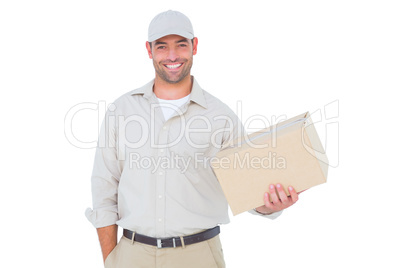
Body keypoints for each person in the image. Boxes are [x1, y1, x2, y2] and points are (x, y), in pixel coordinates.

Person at [85, 10, 299, 268]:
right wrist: (111, 259)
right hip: (132, 256)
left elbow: (247, 189)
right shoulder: (121, 111)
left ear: (195, 46)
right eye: (162, 46)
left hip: (198, 256)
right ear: (149, 50)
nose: (172, 56)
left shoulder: (221, 117)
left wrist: (272, 206)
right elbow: (104, 189)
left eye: (181, 45)